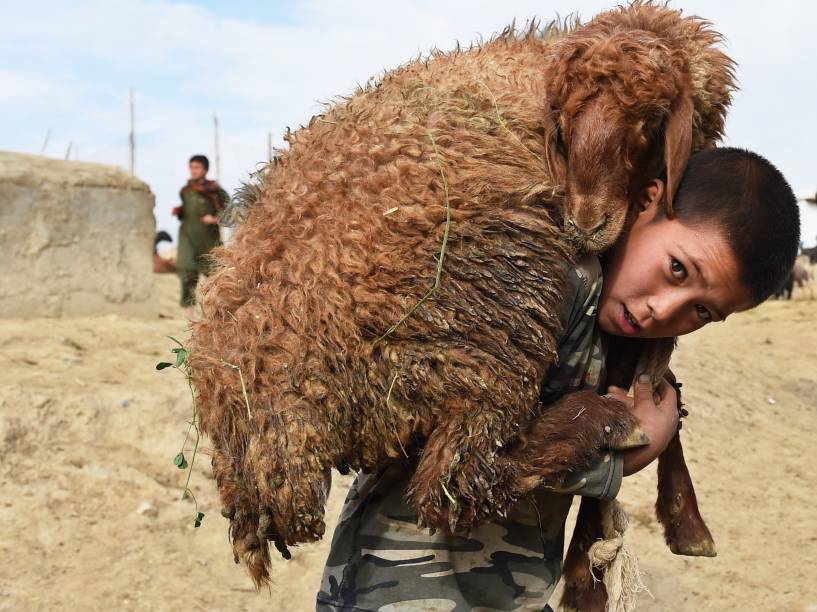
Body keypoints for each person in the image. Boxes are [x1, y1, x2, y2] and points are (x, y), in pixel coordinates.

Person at [315, 147, 801, 612]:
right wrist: (628, 455)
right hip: (398, 587)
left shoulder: (617, 332)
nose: (663, 310)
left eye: (701, 310)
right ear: (648, 201)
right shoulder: (542, 279)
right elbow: (452, 452)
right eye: (677, 269)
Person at [174, 154, 229, 316]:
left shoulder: (216, 190)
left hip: (209, 242)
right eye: (191, 167)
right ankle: (189, 317)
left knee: (216, 278)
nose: (193, 171)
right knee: (187, 277)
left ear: (205, 169)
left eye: (197, 167)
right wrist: (180, 211)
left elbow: (230, 211)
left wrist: (214, 219)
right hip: (187, 240)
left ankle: (218, 314)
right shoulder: (185, 191)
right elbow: (188, 211)